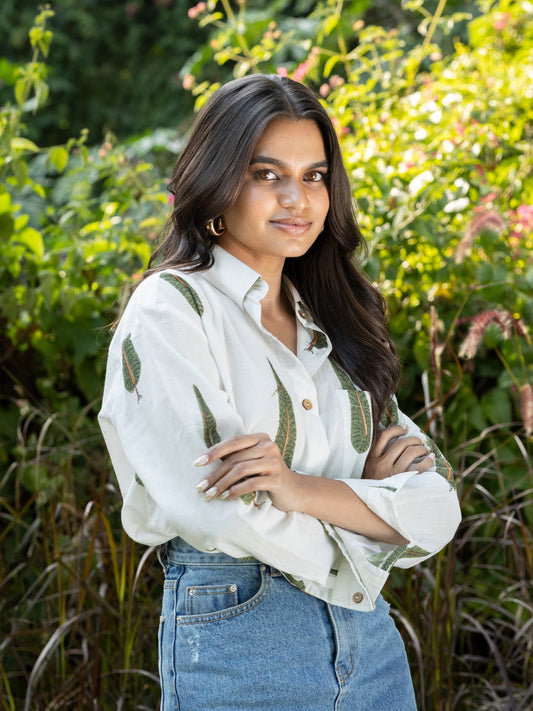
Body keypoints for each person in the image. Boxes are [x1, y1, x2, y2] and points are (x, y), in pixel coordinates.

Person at [98, 74, 461, 711]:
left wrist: (295, 488)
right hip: (239, 628)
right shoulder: (171, 309)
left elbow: (436, 510)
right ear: (218, 179)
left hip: (370, 642)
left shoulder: (334, 322)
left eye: (316, 176)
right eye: (268, 174)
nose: (299, 199)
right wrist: (373, 507)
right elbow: (220, 507)